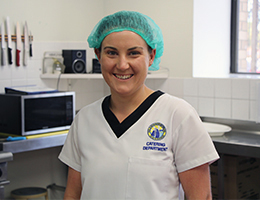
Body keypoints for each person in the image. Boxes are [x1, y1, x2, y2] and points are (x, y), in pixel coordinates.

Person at [59, 10, 219, 200]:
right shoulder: (84, 120)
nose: (122, 65)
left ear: (151, 56)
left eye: (133, 53)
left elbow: (201, 197)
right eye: (111, 53)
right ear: (98, 55)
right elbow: (72, 195)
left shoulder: (178, 115)